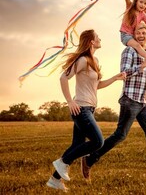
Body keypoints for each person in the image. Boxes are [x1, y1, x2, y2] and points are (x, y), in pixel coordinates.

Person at [81, 26, 146, 183]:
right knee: (120, 135)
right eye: (138, 33)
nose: (141, 35)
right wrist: (143, 65)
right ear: (133, 36)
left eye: (144, 33)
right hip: (130, 100)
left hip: (142, 101)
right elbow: (124, 73)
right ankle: (89, 159)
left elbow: (142, 80)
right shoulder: (129, 51)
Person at [46, 29, 126, 192]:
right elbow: (63, 77)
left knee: (77, 144)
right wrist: (69, 101)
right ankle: (62, 162)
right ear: (91, 41)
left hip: (89, 108)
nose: (100, 39)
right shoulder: (82, 60)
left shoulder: (94, 60)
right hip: (80, 108)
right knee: (98, 141)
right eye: (98, 37)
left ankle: (55, 179)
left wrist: (115, 78)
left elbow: (97, 85)